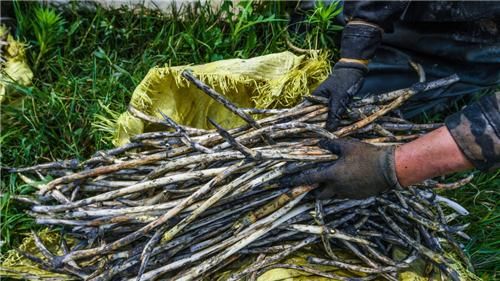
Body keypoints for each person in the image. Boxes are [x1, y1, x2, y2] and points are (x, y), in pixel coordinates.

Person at [286, 1, 500, 199]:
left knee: (364, 104)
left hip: (483, 30)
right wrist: (355, 53)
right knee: (316, 11)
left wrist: (391, 167)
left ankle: (468, 68)